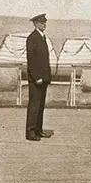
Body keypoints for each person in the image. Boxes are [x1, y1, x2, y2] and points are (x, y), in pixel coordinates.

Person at [25, 13, 52, 141]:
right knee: (34, 106)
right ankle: (30, 132)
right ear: (35, 24)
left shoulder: (42, 37)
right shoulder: (32, 38)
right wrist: (36, 77)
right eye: (42, 23)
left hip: (43, 78)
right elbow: (32, 60)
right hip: (36, 79)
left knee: (40, 105)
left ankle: (38, 130)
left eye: (45, 22)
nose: (44, 24)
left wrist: (46, 76)